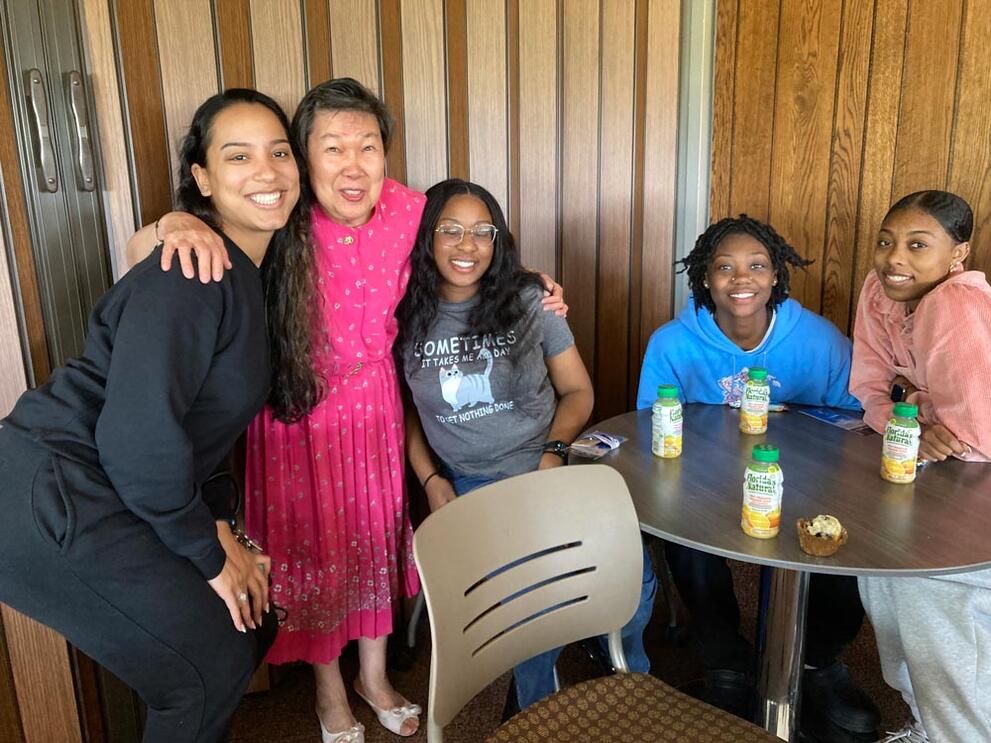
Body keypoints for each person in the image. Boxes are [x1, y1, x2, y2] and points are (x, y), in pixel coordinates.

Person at [127, 79, 565, 742]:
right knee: (308, 554)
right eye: (332, 148)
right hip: (292, 416)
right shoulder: (278, 214)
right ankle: (329, 689)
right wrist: (175, 222)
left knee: (373, 544)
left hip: (375, 412)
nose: (352, 165)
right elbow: (140, 253)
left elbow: (469, 247)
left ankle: (374, 677)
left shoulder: (409, 210)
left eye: (367, 147)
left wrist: (535, 284)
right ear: (305, 160)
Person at [0, 88, 302, 742]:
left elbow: (199, 431)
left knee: (244, 626)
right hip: (52, 491)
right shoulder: (192, 270)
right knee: (207, 666)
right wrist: (210, 553)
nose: (267, 171)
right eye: (239, 155)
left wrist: (219, 527)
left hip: (107, 484)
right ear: (203, 178)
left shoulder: (241, 273)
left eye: (279, 153)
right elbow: (137, 440)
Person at [398, 178, 656, 711]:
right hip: (474, 480)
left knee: (634, 571)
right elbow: (406, 415)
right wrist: (431, 480)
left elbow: (578, 391)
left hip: (551, 463)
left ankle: (626, 669)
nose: (467, 245)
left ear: (498, 241)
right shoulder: (401, 316)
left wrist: (554, 453)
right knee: (530, 595)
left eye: (482, 232)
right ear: (426, 237)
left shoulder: (528, 300)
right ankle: (533, 707)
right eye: (450, 230)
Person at [637, 215, 879, 742]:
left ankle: (817, 661)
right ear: (704, 277)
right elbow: (651, 423)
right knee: (687, 544)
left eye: (756, 266)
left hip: (806, 481)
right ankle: (726, 661)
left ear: (775, 275)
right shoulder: (672, 343)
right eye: (724, 267)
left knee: (840, 544)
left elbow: (858, 421)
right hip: (704, 483)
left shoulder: (819, 339)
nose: (741, 279)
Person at [850, 190, 991, 743]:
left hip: (976, 485)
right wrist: (912, 412)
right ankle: (930, 725)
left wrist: (908, 402)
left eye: (917, 245)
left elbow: (975, 435)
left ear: (958, 253)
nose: (894, 258)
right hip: (932, 472)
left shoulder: (956, 302)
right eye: (886, 242)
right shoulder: (879, 289)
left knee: (934, 605)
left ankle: (960, 732)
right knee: (882, 576)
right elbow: (869, 387)